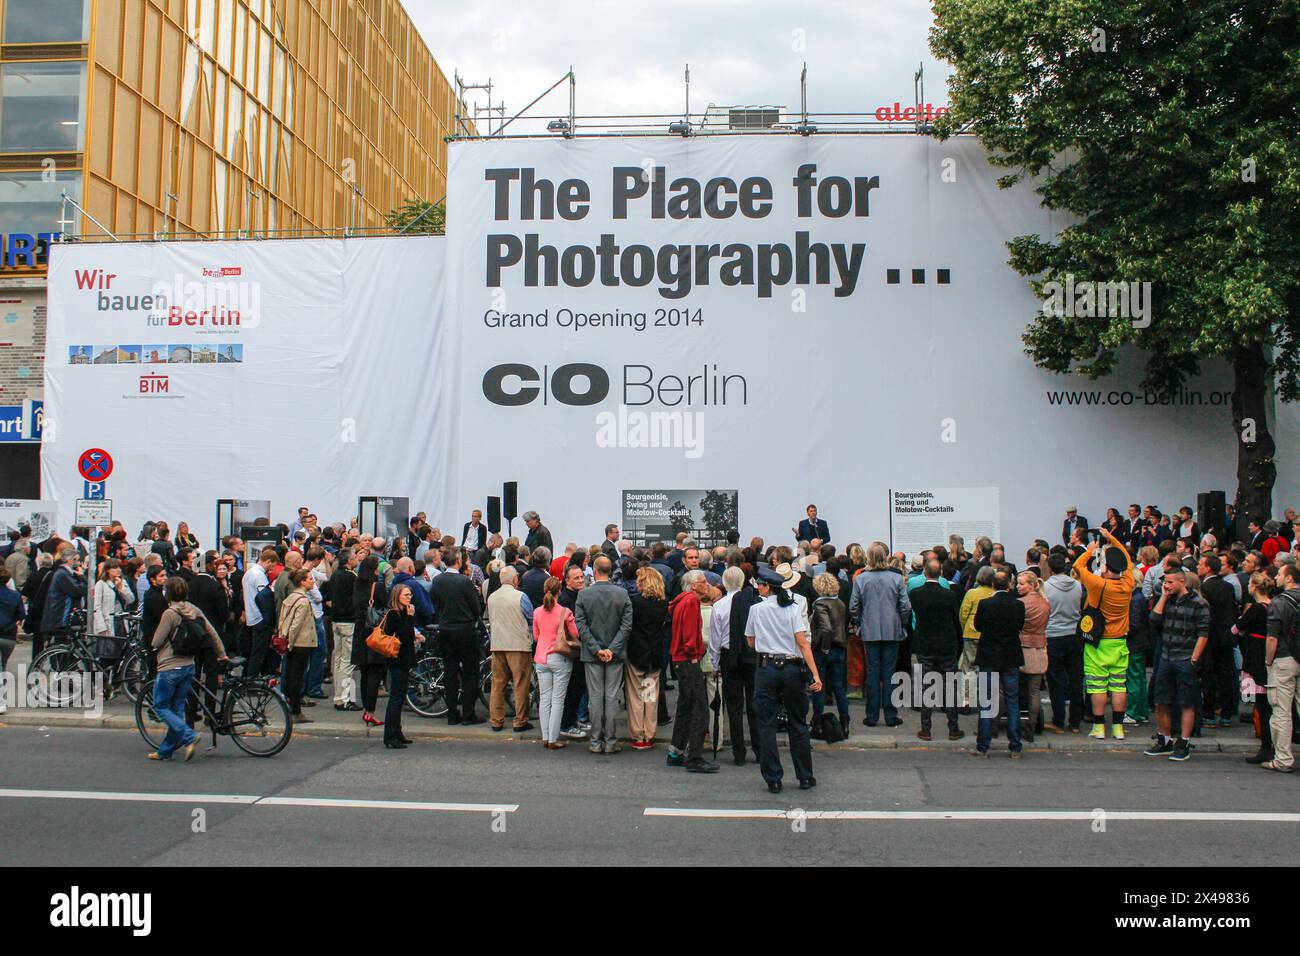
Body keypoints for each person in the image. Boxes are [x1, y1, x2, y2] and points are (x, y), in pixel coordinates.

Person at [747, 565, 821, 793]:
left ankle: (773, 778)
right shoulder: (792, 609)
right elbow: (802, 643)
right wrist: (815, 674)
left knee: (766, 724)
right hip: (792, 667)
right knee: (798, 723)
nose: (758, 588)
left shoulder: (756, 610)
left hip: (767, 667)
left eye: (760, 585)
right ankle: (805, 776)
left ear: (767, 587)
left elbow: (750, 641)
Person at [148, 576, 227, 761]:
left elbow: (156, 641)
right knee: (176, 709)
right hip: (189, 665)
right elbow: (211, 632)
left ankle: (189, 735)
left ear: (167, 593)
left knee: (160, 707)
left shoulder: (169, 613)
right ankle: (165, 751)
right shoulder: (193, 609)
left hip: (170, 665)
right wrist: (221, 653)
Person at [1074, 528, 1136, 739]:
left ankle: (1099, 727)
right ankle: (1118, 727)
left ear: (1105, 567)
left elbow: (1077, 567)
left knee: (1097, 685)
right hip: (1119, 642)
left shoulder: (1098, 584)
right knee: (1119, 685)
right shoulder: (1128, 584)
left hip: (1097, 642)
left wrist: (1090, 550)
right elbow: (1126, 560)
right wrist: (1113, 540)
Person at [1145, 567, 1210, 762]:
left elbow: (1203, 633)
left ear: (1183, 582)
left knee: (1186, 702)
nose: (1166, 585)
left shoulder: (1199, 604)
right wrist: (1163, 598)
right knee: (1160, 700)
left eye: (1171, 582)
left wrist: (1194, 659)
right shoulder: (1168, 600)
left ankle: (1183, 742)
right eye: (1166, 582)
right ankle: (1165, 740)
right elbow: (1154, 620)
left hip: (1185, 658)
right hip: (1166, 656)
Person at [575, 555, 632, 754]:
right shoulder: (622, 594)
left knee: (595, 697)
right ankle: (610, 740)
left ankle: (595, 741)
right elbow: (626, 626)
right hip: (615, 654)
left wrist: (596, 648)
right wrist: (612, 648)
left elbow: (580, 625)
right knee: (611, 696)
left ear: (595, 571)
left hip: (593, 655)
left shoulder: (584, 595)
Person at [849, 542, 911, 727]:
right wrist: (901, 621)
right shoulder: (896, 578)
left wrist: (861, 621)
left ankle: (872, 715)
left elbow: (853, 606)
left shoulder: (862, 578)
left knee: (873, 672)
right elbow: (905, 606)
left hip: (870, 630)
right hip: (892, 629)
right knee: (889, 672)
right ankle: (891, 715)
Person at [665, 569, 719, 773]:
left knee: (685, 707)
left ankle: (676, 751)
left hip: (681, 660)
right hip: (688, 660)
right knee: (700, 709)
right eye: (703, 582)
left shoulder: (682, 600)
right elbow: (689, 633)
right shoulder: (691, 602)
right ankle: (694, 757)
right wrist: (694, 654)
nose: (707, 584)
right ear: (694, 585)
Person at [428, 547, 487, 725]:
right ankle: (468, 713)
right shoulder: (464, 582)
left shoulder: (437, 581)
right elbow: (476, 608)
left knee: (450, 672)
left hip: (445, 629)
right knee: (470, 673)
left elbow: (435, 603)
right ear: (459, 561)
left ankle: (452, 713)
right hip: (465, 630)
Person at [710, 565, 760, 765]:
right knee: (754, 703)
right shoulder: (754, 603)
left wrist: (714, 663)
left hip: (728, 654)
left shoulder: (719, 605)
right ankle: (759, 748)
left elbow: (715, 639)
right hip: (750, 653)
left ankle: (739, 752)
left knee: (734, 705)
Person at [972, 571, 1026, 758]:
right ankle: (1015, 746)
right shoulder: (1018, 605)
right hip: (1010, 655)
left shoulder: (985, 604)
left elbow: (978, 626)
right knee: (1012, 701)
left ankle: (983, 746)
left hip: (988, 656)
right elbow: (1020, 625)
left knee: (987, 702)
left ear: (993, 586)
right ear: (1009, 585)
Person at [910, 558, 963, 741]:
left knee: (926, 686)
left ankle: (926, 729)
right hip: (947, 644)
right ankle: (953, 728)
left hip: (925, 644)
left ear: (924, 573)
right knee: (950, 686)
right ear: (940, 573)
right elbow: (956, 621)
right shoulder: (949, 595)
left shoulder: (916, 594)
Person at [485, 566, 535, 733]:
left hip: (497, 644)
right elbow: (531, 618)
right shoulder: (520, 596)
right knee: (520, 683)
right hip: (518, 644)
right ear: (515, 579)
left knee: (498, 684)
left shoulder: (491, 597)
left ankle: (496, 720)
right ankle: (520, 720)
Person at [533, 576, 579, 749]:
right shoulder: (565, 612)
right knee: (558, 699)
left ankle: (545, 737)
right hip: (559, 657)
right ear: (560, 591)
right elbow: (575, 634)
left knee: (544, 698)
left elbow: (536, 636)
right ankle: (553, 738)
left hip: (541, 658)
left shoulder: (537, 612)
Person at [1263, 562, 1300, 772]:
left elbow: (1272, 638)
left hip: (1284, 659)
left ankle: (1283, 759)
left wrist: (1269, 661)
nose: (1276, 576)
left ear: (1289, 578)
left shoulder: (1279, 602)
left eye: (1279, 574)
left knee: (1281, 711)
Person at [626, 566, 667, 750]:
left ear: (643, 583)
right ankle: (649, 734)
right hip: (655, 653)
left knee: (635, 696)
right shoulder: (663, 604)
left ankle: (638, 735)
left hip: (636, 652)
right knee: (650, 695)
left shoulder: (635, 603)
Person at [1236, 572, 1274, 765]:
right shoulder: (1273, 605)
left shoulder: (1256, 609)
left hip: (1255, 656)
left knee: (1262, 704)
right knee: (1268, 704)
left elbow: (1237, 627)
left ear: (1254, 587)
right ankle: (1269, 744)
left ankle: (1266, 745)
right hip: (1267, 657)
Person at [1197, 552, 1239, 728]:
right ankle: (1226, 713)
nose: (1198, 566)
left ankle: (1208, 712)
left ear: (1207, 569)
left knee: (1209, 676)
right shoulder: (1228, 587)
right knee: (1226, 675)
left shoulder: (1204, 589)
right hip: (1226, 637)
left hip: (1209, 637)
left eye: (1201, 564)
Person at [380, 583, 423, 749]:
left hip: (403, 659)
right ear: (397, 596)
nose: (409, 598)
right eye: (405, 595)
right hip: (397, 659)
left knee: (400, 696)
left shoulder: (402, 613)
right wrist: (410, 617)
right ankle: (390, 735)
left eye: (410, 595)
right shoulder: (394, 614)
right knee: (396, 698)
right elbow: (404, 635)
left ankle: (397, 732)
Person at [351, 555, 391, 731]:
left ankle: (367, 709)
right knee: (375, 672)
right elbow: (387, 607)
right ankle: (370, 711)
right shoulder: (378, 587)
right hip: (375, 632)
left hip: (360, 632)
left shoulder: (357, 586)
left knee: (365, 673)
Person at [810, 571, 850, 739]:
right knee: (839, 687)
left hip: (823, 649)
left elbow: (825, 628)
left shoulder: (819, 604)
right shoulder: (840, 603)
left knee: (819, 686)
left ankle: (817, 723)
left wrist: (824, 647)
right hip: (839, 647)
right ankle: (845, 721)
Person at [278, 568, 317, 722]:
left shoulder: (290, 598)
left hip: (291, 642)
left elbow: (283, 620)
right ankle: (296, 709)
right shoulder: (303, 601)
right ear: (302, 582)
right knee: (297, 677)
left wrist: (284, 639)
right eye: (310, 579)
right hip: (301, 642)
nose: (313, 581)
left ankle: (290, 704)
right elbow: (296, 625)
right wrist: (291, 642)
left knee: (290, 674)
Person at [1017, 570, 1050, 742]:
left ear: (1031, 585)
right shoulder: (1045, 603)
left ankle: (1016, 724)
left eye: (1021, 583)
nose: (1018, 586)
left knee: (1015, 689)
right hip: (1040, 648)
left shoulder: (1020, 603)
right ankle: (1031, 726)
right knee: (1034, 691)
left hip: (1022, 647)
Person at [327, 547, 360, 711]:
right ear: (349, 561)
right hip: (349, 621)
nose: (357, 559)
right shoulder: (351, 577)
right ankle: (345, 699)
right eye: (355, 556)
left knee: (338, 660)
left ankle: (339, 696)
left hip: (336, 621)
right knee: (347, 662)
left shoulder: (335, 576)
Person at [241, 547, 278, 678]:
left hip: (251, 616)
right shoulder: (259, 575)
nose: (271, 569)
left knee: (253, 651)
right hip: (259, 618)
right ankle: (252, 680)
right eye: (272, 566)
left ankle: (248, 677)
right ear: (268, 561)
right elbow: (264, 598)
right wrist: (270, 620)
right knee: (259, 653)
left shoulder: (249, 573)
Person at [0, 568, 25, 714]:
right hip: (9, 637)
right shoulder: (14, 595)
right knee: (2, 666)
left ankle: (1, 702)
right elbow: (21, 615)